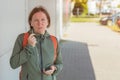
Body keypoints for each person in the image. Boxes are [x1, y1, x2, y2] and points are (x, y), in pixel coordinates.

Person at [10, 6, 63, 80]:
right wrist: (29, 47)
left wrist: (54, 68)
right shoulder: (22, 38)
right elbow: (13, 64)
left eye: (43, 20)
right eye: (36, 20)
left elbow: (60, 63)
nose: (40, 23)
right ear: (31, 23)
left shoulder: (54, 40)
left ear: (47, 22)